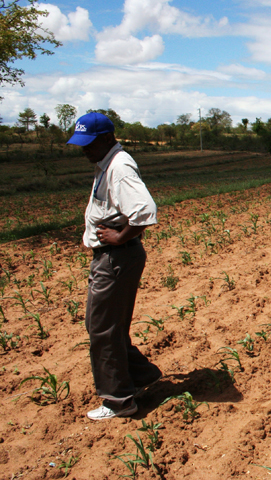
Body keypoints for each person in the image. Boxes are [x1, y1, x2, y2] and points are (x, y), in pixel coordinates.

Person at [68, 112, 162, 420]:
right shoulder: (107, 163)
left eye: (89, 143)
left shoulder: (118, 167)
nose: (84, 149)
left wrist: (120, 237)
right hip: (115, 257)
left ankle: (119, 400)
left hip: (116, 258)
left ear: (107, 139)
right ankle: (142, 375)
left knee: (102, 330)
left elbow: (145, 211)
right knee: (110, 327)